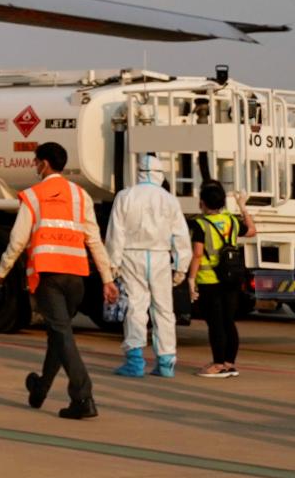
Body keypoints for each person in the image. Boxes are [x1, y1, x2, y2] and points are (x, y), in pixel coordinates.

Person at [0, 142, 118, 420]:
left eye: (36, 162)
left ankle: (83, 397)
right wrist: (107, 278)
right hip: (77, 278)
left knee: (62, 336)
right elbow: (94, 239)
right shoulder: (80, 196)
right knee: (58, 336)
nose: (35, 167)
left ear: (45, 164)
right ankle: (39, 389)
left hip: (49, 277)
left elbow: (17, 240)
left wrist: (1, 272)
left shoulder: (34, 196)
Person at [103, 157, 191, 378]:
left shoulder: (126, 196)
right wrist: (181, 266)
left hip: (132, 256)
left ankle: (135, 360)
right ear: (161, 173)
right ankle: (166, 361)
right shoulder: (170, 200)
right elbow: (180, 234)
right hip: (161, 256)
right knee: (163, 309)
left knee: (135, 306)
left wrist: (112, 264)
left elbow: (116, 232)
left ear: (139, 172)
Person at [192, 181, 253, 377]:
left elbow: (198, 254)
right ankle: (229, 363)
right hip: (232, 278)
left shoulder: (200, 224)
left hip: (209, 279)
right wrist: (243, 206)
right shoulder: (232, 221)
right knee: (229, 321)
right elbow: (251, 230)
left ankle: (218, 364)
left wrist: (191, 278)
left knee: (215, 324)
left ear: (202, 203)